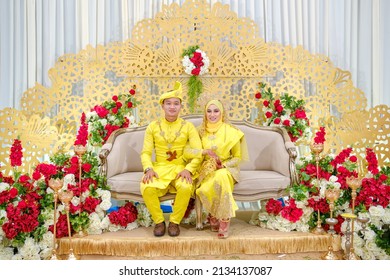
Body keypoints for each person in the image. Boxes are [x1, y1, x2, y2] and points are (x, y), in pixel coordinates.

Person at [140, 81, 202, 237]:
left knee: (186, 186)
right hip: (159, 168)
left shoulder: (188, 127)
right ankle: (159, 221)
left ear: (181, 106)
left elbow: (198, 152)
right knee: (147, 187)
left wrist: (189, 169)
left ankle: (174, 222)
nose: (172, 107)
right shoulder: (153, 127)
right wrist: (148, 168)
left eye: (176, 103)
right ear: (162, 106)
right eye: (168, 103)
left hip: (180, 168)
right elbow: (146, 152)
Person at [193, 99, 249, 239]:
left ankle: (224, 219)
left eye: (216, 111)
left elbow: (237, 157)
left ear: (222, 113)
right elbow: (193, 152)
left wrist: (223, 165)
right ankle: (213, 214)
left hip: (227, 168)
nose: (212, 115)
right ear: (205, 113)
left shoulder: (231, 132)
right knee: (204, 187)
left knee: (222, 176)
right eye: (209, 111)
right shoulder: (199, 132)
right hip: (206, 169)